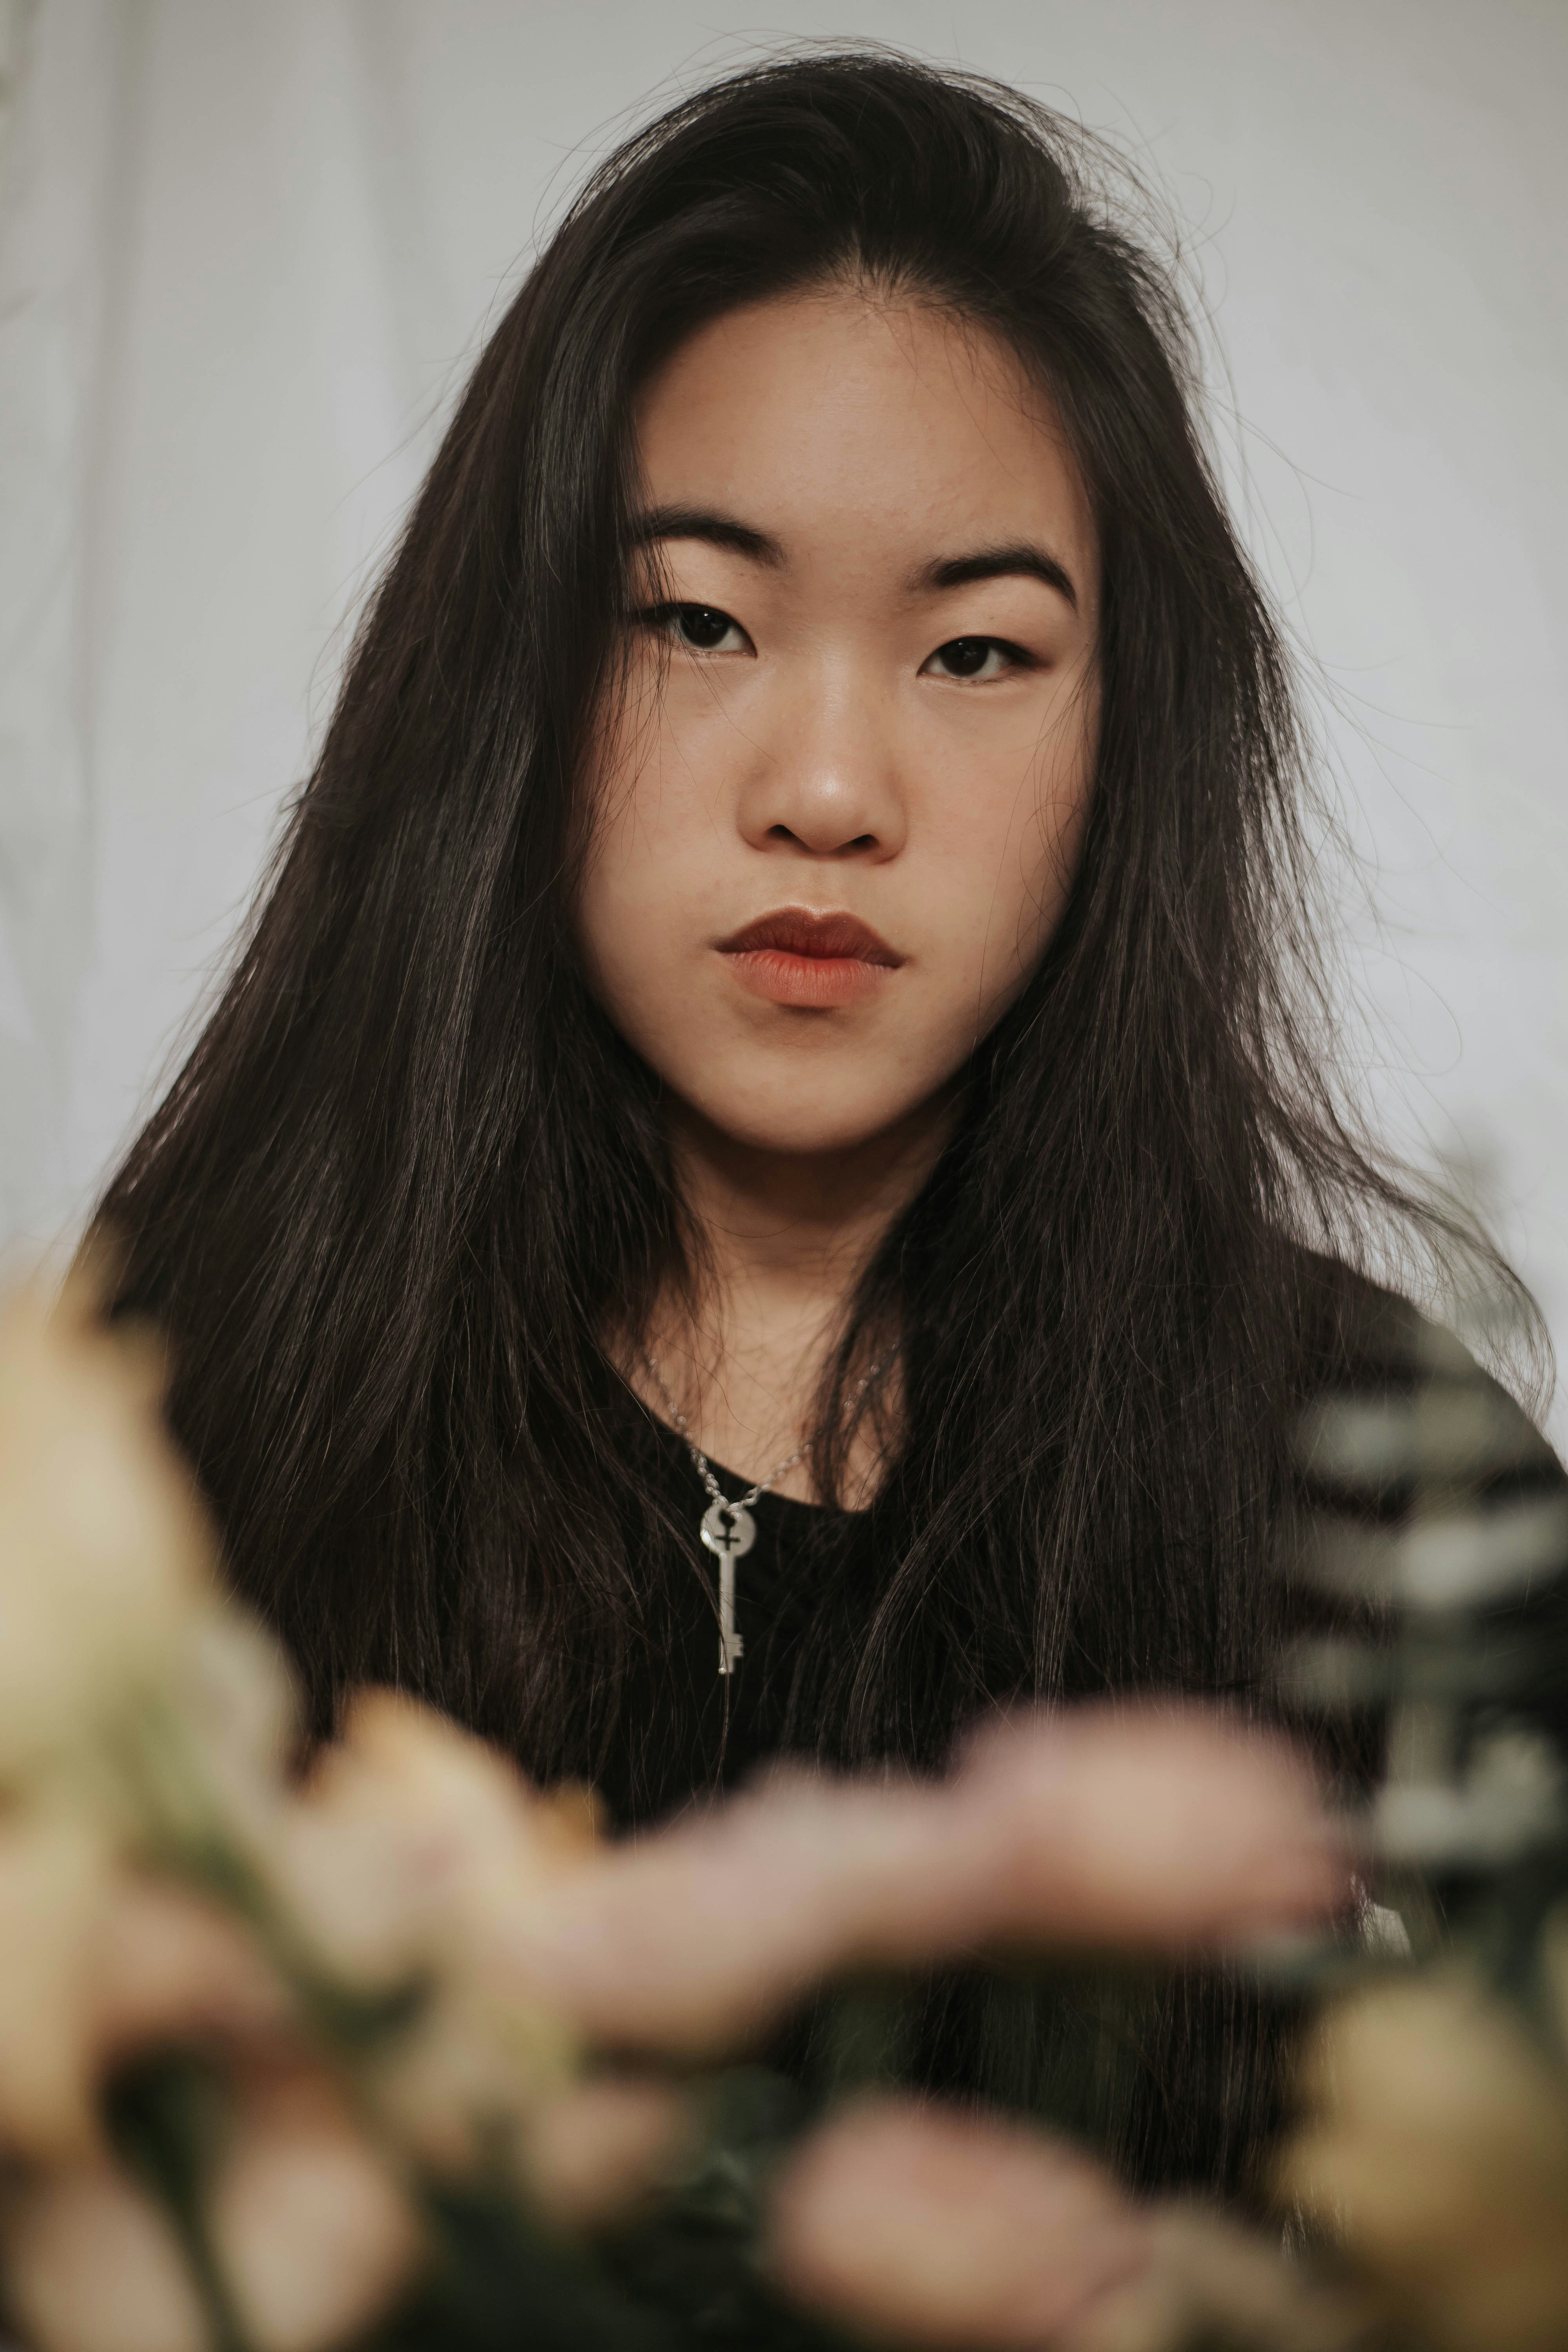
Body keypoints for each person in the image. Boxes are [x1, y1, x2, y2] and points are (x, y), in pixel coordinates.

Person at [92, 47, 1553, 2221]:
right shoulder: (185, 1402)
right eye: (698, 619)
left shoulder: (1365, 1472)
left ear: (1128, 737)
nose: (833, 792)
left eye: (977, 653)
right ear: (515, 672)